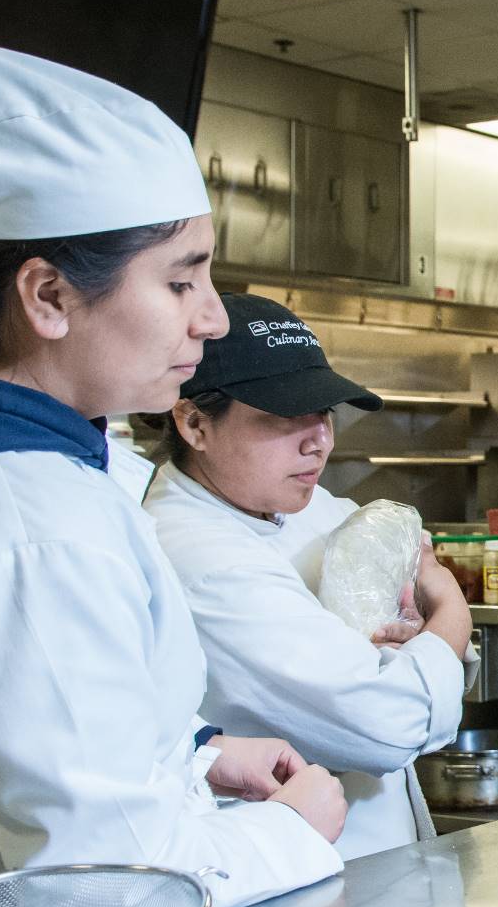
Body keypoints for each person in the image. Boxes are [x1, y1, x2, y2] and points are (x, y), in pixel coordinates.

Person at [0, 48, 347, 907]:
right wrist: (294, 826)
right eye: (181, 278)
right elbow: (104, 890)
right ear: (47, 297)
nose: (213, 317)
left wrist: (193, 752)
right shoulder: (28, 529)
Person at [144, 293, 472, 860]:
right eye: (284, 416)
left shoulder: (311, 506)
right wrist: (450, 611)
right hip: (292, 869)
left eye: (324, 413)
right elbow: (388, 721)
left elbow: (422, 662)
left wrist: (417, 638)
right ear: (195, 423)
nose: (320, 440)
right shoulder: (197, 555)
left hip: (379, 850)